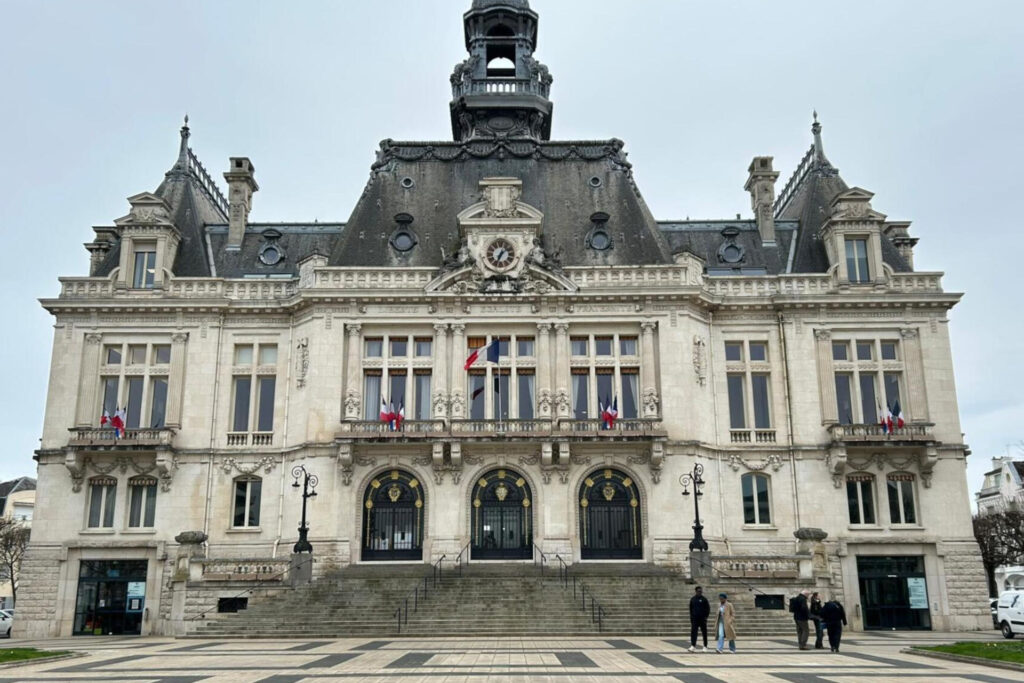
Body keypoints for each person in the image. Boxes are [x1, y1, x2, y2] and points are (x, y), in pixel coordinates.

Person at [688, 586, 711, 652]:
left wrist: (705, 617)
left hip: (702, 619)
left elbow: (708, 609)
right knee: (693, 632)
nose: (700, 592)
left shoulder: (704, 599)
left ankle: (705, 646)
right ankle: (693, 645)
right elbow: (691, 609)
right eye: (698, 591)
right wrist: (692, 617)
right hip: (695, 619)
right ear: (696, 591)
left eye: (701, 591)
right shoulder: (693, 599)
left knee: (704, 633)